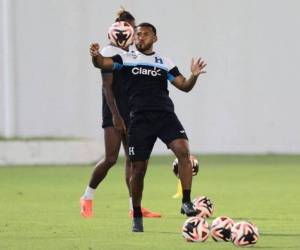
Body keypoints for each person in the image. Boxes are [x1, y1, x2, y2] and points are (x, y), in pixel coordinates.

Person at [89, 22, 207, 232]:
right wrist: (95, 55)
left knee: (183, 150)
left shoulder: (165, 62)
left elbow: (184, 86)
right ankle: (136, 214)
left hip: (165, 116)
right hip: (139, 120)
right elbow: (102, 64)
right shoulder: (125, 58)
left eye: (145, 34)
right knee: (139, 169)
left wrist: (194, 76)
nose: (140, 38)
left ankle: (186, 202)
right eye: (138, 35)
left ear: (155, 38)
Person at [80, 11, 161, 219]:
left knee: (133, 160)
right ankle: (87, 196)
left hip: (132, 110)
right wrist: (116, 116)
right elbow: (107, 87)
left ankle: (134, 207)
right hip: (114, 111)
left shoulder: (131, 53)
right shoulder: (108, 51)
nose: (134, 33)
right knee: (110, 158)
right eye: (131, 28)